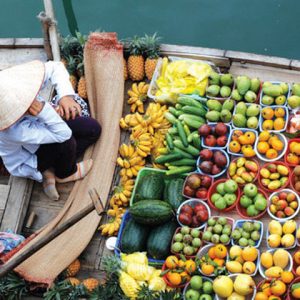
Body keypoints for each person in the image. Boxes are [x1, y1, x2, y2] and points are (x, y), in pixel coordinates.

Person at [0, 60, 101, 200]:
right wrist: (43, 111)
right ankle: (64, 173)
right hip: (31, 157)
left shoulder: (17, 83)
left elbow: (55, 67)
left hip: (42, 128)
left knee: (92, 128)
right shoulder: (13, 130)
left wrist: (65, 96)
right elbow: (63, 134)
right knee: (67, 143)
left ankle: (52, 168)